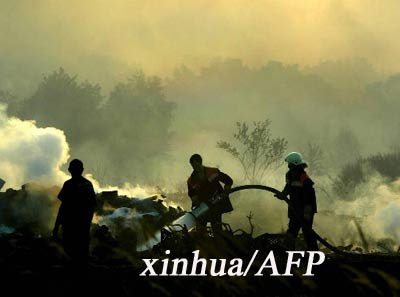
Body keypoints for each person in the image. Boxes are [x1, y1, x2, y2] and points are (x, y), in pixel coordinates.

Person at [52, 159, 96, 265]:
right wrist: (87, 223)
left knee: (69, 255)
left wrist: (57, 226)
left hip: (70, 227)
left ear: (69, 170)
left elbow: (63, 207)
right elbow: (93, 205)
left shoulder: (69, 184)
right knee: (82, 256)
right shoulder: (88, 184)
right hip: (83, 227)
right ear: (82, 170)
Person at [279, 152, 318, 250]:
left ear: (295, 164)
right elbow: (288, 187)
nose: (288, 165)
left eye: (290, 163)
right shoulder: (289, 175)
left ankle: (314, 254)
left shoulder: (303, 176)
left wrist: (307, 213)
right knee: (292, 232)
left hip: (306, 209)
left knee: (307, 232)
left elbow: (310, 196)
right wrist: (282, 194)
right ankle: (288, 253)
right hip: (295, 208)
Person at [187, 153, 233, 236]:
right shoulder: (191, 180)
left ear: (200, 162)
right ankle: (204, 245)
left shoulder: (212, 172)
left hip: (216, 204)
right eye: (193, 166)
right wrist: (195, 202)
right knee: (200, 231)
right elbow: (192, 194)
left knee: (217, 230)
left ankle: (219, 244)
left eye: (196, 165)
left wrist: (226, 191)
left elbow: (228, 180)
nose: (194, 168)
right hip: (203, 207)